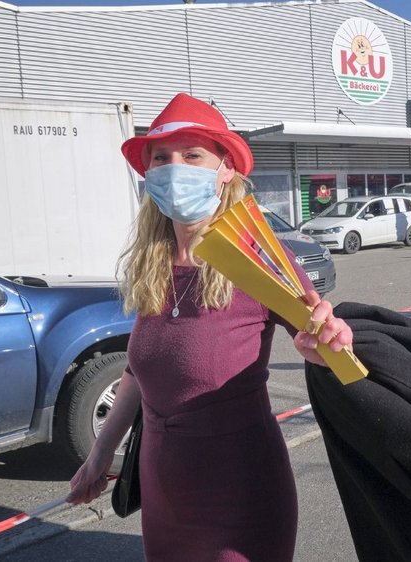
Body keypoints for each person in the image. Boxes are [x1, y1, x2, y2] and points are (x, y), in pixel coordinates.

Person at [66, 93, 354, 561]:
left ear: (225, 170)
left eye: (192, 155)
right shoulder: (153, 266)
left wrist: (326, 342)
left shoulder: (261, 262)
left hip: (242, 497)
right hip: (163, 497)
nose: (174, 167)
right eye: (162, 157)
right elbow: (138, 373)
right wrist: (99, 458)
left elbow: (331, 346)